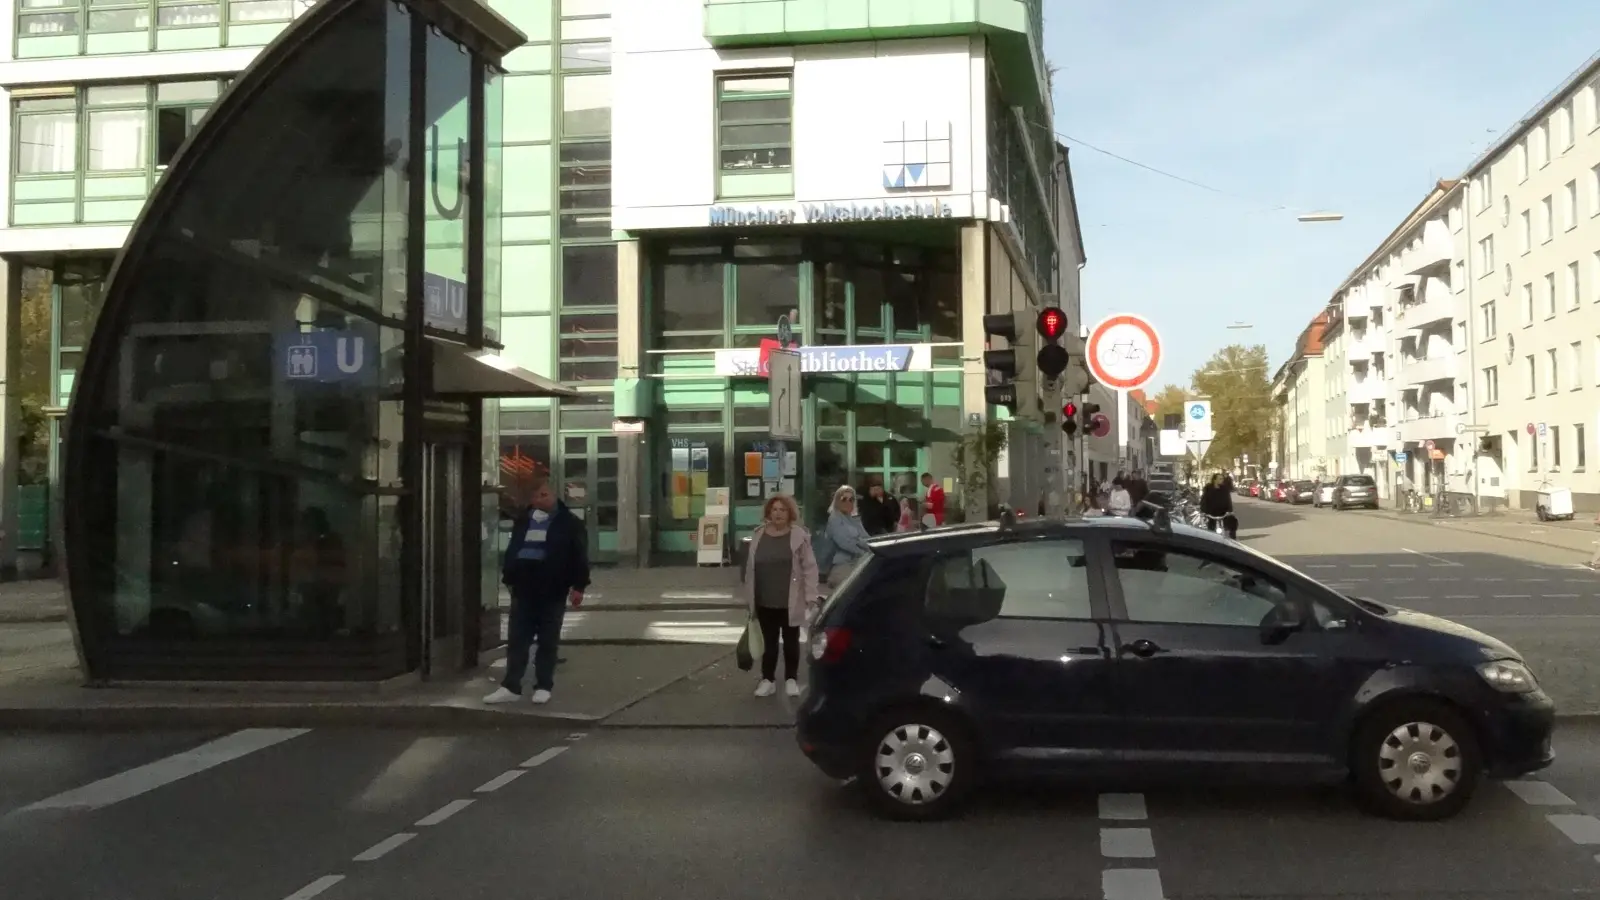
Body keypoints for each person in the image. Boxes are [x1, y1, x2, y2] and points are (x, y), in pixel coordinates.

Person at [484, 474, 590, 706]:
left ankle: (543, 685)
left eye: (544, 495)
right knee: (517, 639)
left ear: (553, 495)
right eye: (536, 496)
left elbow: (579, 555)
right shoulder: (524, 520)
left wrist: (579, 586)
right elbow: (515, 548)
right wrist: (509, 576)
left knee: (547, 640)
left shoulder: (568, 523)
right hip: (524, 588)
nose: (540, 500)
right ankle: (511, 685)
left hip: (552, 588)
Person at [742, 494, 820, 698]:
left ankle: (791, 679)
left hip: (790, 600)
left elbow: (809, 568)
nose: (778, 513)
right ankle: (768, 680)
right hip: (764, 600)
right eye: (774, 509)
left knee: (791, 641)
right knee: (768, 643)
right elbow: (750, 570)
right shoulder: (758, 535)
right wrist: (749, 599)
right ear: (768, 512)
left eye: (782, 510)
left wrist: (811, 596)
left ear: (790, 514)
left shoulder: (799, 536)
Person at [823, 485, 873, 588]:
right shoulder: (834, 518)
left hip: (857, 563)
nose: (848, 502)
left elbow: (866, 538)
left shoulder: (853, 519)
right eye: (844, 499)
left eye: (851, 499)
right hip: (842, 566)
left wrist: (871, 548)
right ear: (837, 500)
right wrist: (863, 551)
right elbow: (844, 542)